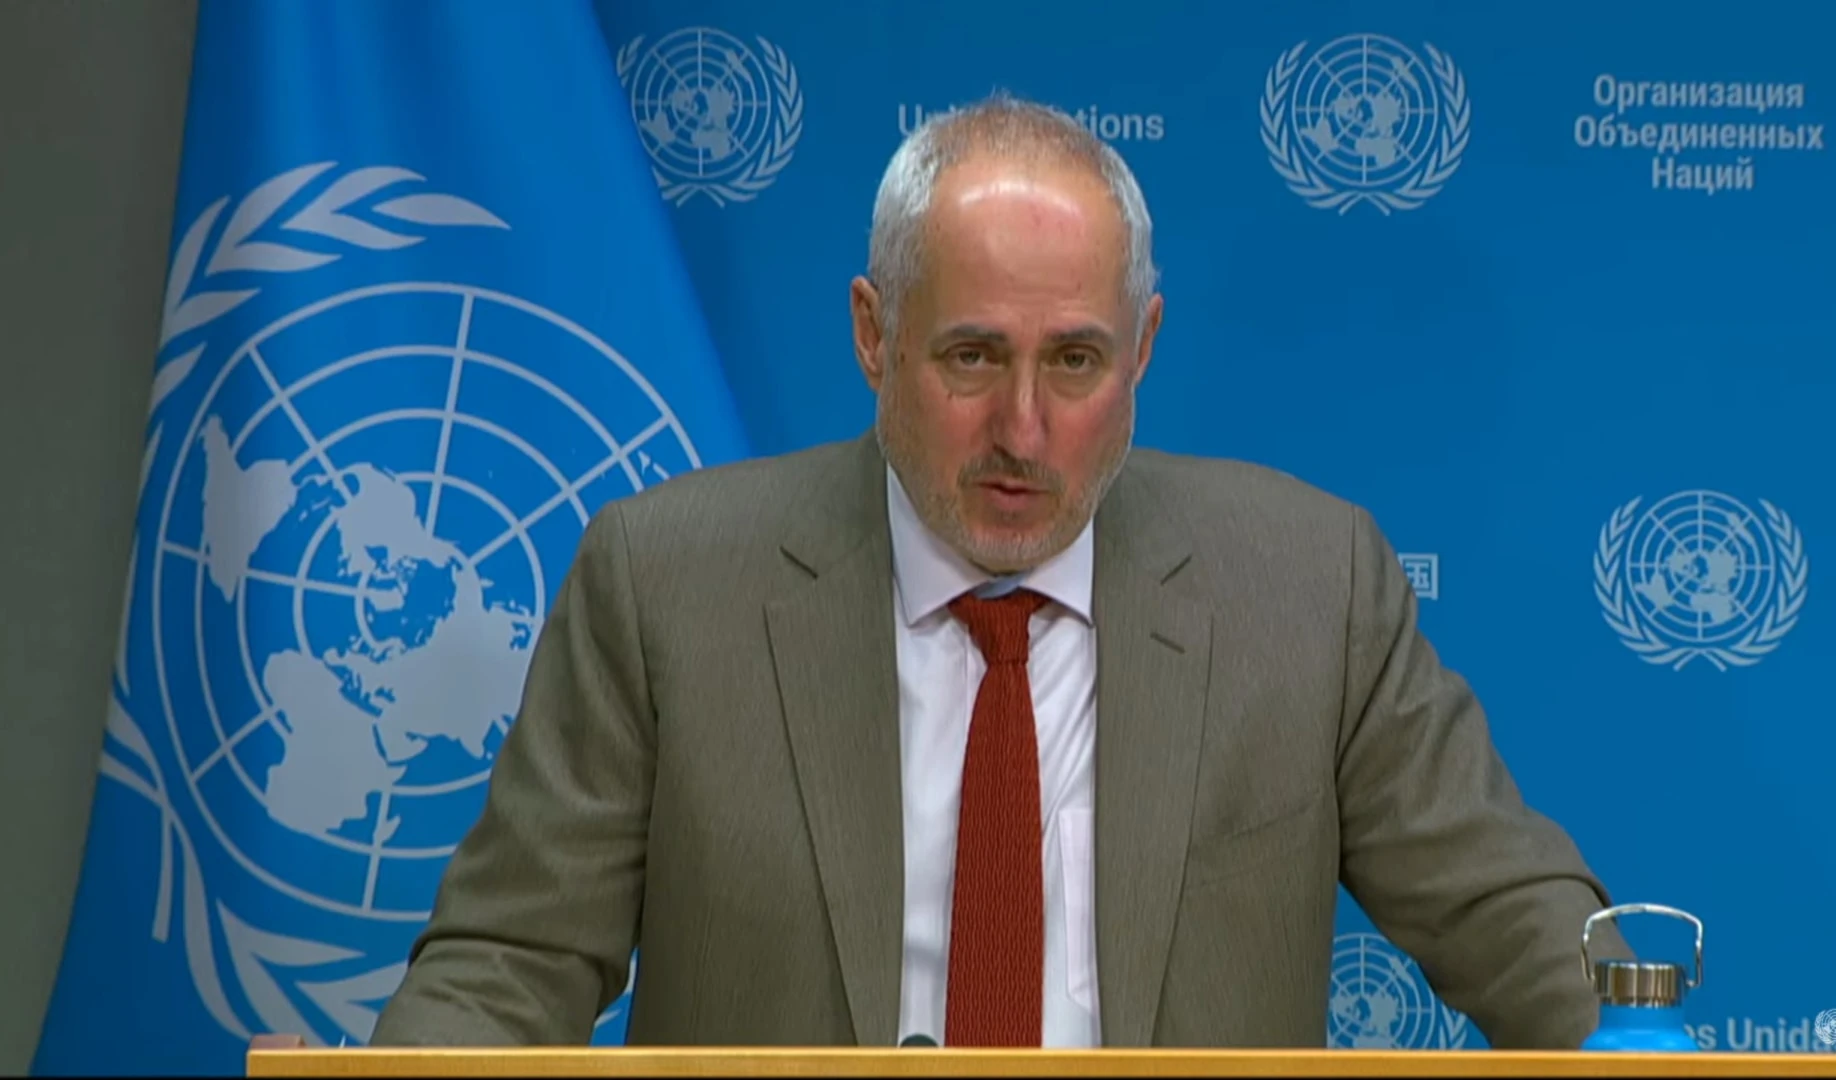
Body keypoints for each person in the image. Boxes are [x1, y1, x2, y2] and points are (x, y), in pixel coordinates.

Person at [371, 93, 1622, 1050]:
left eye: (1075, 363)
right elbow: (508, 967)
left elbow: (1516, 921)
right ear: (873, 334)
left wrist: (1638, 1041)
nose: (1023, 430)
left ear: (1144, 348)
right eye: (972, 357)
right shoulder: (664, 585)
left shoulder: (1307, 586)